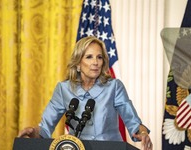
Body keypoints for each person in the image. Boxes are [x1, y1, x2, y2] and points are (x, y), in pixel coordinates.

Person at [18, 36, 153, 150]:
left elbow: (133, 121)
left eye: (99, 57)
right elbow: (45, 126)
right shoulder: (63, 89)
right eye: (89, 57)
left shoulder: (114, 87)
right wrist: (34, 132)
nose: (95, 62)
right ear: (78, 63)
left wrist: (142, 132)